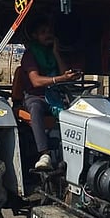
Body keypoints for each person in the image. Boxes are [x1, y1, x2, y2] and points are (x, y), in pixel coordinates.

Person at [20, 17, 82, 170]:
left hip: (55, 96)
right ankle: (44, 154)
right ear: (35, 36)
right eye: (43, 32)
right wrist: (61, 78)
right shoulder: (30, 55)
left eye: (49, 32)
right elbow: (36, 81)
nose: (48, 35)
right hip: (36, 96)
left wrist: (56, 53)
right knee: (35, 107)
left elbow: (64, 73)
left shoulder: (52, 53)